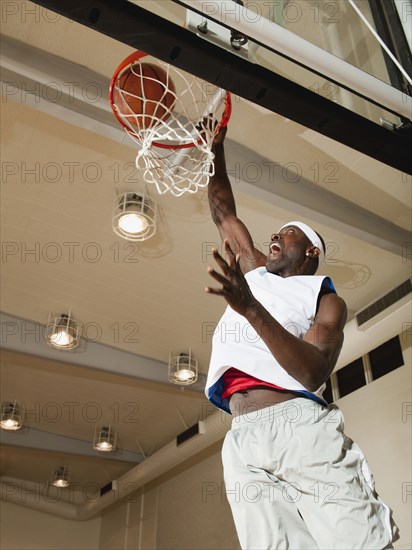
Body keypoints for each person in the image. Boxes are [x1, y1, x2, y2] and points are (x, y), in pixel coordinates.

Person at [204, 125, 399, 550]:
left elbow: (312, 371)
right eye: (275, 232)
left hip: (298, 426)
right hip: (241, 434)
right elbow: (223, 212)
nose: (275, 236)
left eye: (288, 233)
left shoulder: (324, 298)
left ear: (311, 251)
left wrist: (251, 308)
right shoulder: (253, 271)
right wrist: (215, 148)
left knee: (359, 543)